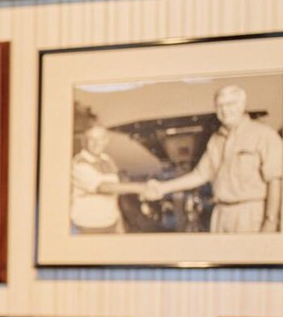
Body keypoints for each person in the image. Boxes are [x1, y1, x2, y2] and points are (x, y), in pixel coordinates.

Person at [144, 84, 283, 233]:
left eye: (230, 104)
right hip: (221, 215)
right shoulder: (216, 140)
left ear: (242, 105)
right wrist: (163, 187)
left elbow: (275, 181)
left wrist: (271, 220)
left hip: (251, 214)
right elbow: (201, 175)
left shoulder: (264, 135)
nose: (224, 110)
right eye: (220, 105)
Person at [69, 125, 137, 233]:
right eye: (92, 139)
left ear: (106, 141)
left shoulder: (108, 160)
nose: (96, 143)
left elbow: (114, 194)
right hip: (87, 227)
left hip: (111, 224)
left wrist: (119, 223)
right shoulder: (78, 163)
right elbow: (103, 187)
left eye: (100, 139)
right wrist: (141, 188)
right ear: (84, 141)